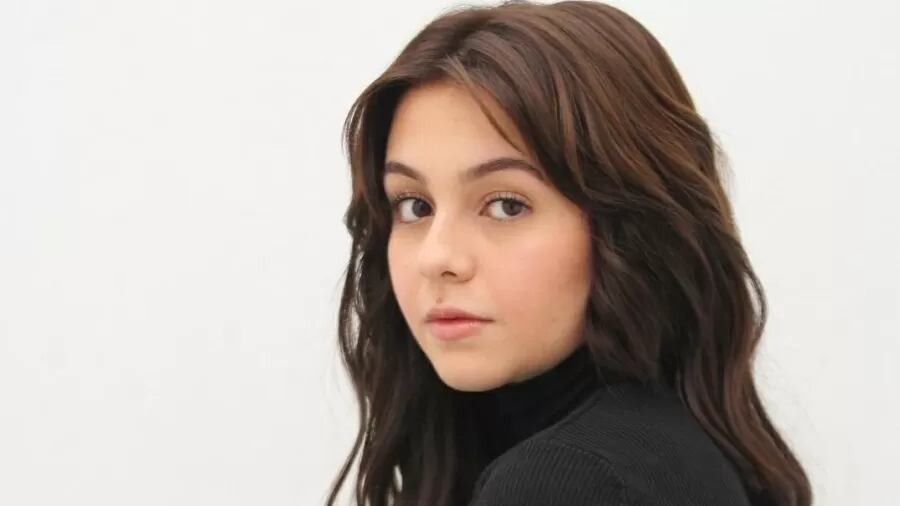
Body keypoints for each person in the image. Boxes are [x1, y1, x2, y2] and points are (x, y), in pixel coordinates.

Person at [326, 1, 812, 504]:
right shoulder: (667, 450)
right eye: (414, 205)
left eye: (507, 205)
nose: (437, 257)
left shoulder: (569, 479)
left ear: (628, 229)